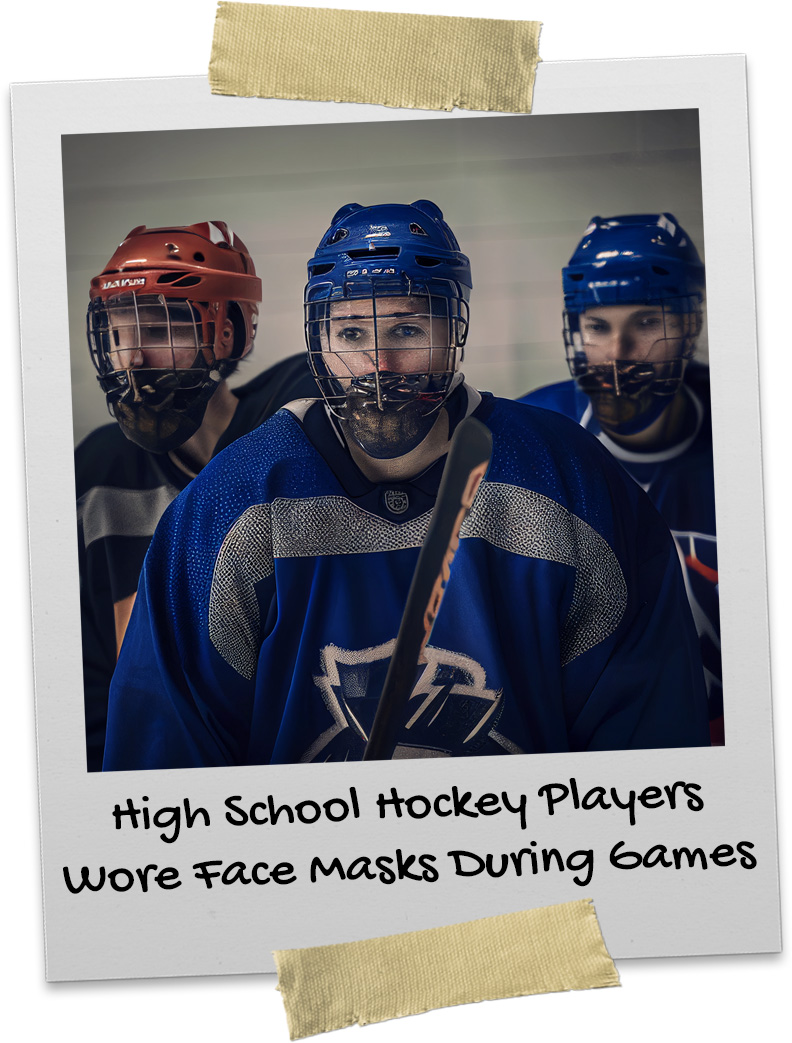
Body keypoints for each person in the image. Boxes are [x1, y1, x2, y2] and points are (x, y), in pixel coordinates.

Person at [103, 200, 710, 770]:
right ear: (318, 339)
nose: (378, 365)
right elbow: (165, 763)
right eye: (351, 335)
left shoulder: (569, 477)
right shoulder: (228, 502)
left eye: (405, 332)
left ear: (453, 333)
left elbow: (646, 744)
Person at [77, 221, 317, 770]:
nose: (133, 359)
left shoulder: (298, 433)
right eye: (119, 332)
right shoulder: (96, 476)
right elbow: (88, 695)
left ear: (228, 333)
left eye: (161, 328)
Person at [519, 214, 722, 743]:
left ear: (690, 323)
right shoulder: (529, 441)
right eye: (598, 327)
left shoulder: (755, 427)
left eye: (647, 323)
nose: (617, 355)